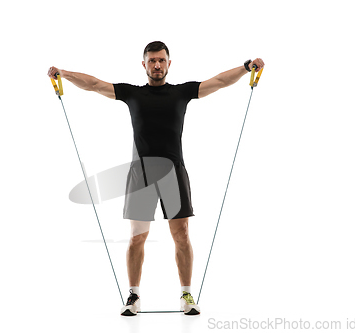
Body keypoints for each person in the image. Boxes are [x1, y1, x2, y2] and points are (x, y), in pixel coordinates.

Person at [47, 41, 264, 316]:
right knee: (138, 237)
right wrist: (64, 74)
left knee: (182, 235)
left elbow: (219, 81)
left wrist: (247, 68)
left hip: (174, 171)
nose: (157, 65)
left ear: (169, 63)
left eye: (161, 60)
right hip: (141, 173)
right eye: (152, 61)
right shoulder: (132, 94)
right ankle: (134, 296)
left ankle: (186, 294)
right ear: (144, 64)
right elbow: (93, 84)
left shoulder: (182, 92)